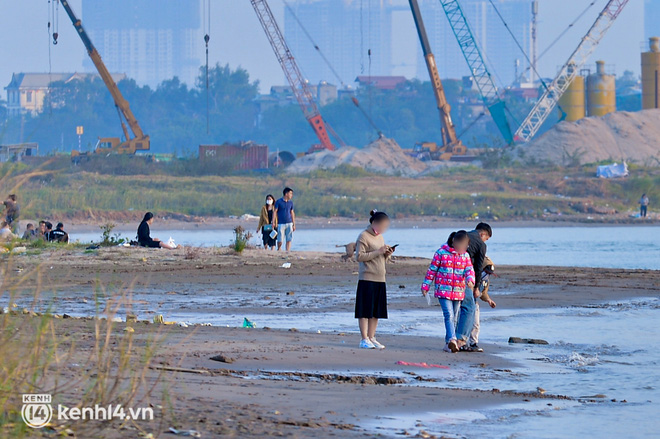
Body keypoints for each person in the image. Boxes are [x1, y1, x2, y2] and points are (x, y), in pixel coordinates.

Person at [421, 230, 476, 353]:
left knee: (455, 316)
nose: (462, 247)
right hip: (443, 290)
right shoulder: (441, 253)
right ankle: (452, 339)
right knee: (449, 315)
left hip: (458, 291)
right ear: (454, 242)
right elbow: (432, 270)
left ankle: (448, 344)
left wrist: (470, 280)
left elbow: (469, 270)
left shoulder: (465, 256)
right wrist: (425, 286)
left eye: (465, 245)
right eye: (460, 244)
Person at [355, 209, 395, 349]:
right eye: (382, 225)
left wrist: (387, 254)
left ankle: (372, 337)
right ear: (374, 223)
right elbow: (359, 256)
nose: (384, 228)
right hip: (367, 277)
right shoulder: (363, 236)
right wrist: (378, 251)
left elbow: (381, 257)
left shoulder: (380, 237)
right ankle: (364, 338)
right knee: (364, 310)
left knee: (376, 312)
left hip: (380, 278)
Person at [455, 222, 492, 351]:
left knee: (455, 310)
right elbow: (477, 267)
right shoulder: (481, 244)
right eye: (486, 238)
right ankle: (461, 341)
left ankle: (454, 338)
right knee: (469, 307)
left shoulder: (462, 236)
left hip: (450, 275)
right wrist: (476, 287)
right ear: (483, 234)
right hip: (465, 278)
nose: (485, 241)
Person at [467, 256, 497, 352]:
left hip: (474, 302)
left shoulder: (485, 280)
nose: (487, 274)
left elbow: (483, 292)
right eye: (486, 271)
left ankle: (473, 343)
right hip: (465, 301)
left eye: (489, 273)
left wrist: (488, 300)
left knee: (476, 324)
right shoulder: (471, 274)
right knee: (464, 323)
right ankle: (460, 342)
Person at [274, 187, 296, 252]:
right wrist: (274, 222)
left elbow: (292, 213)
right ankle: (279, 249)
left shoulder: (291, 203)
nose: (291, 195)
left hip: (289, 222)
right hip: (281, 223)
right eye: (290, 193)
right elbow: (275, 211)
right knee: (280, 238)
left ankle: (287, 251)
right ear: (286, 194)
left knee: (289, 238)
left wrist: (294, 224)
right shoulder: (278, 202)